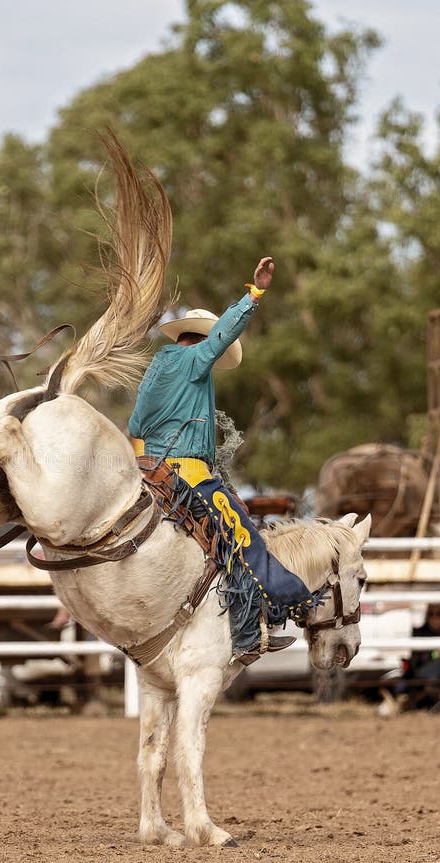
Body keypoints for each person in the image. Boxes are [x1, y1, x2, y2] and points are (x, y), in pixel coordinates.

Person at [129, 257, 320, 665]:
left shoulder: (155, 369)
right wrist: (254, 293)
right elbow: (222, 336)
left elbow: (136, 425)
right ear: (200, 339)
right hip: (188, 474)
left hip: (150, 473)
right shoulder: (194, 360)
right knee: (244, 537)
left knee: (229, 530)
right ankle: (255, 628)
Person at [396, 603, 440, 712]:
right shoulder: (419, 632)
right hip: (423, 673)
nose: (435, 618)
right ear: (427, 616)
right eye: (431, 614)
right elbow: (418, 659)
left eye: (439, 614)